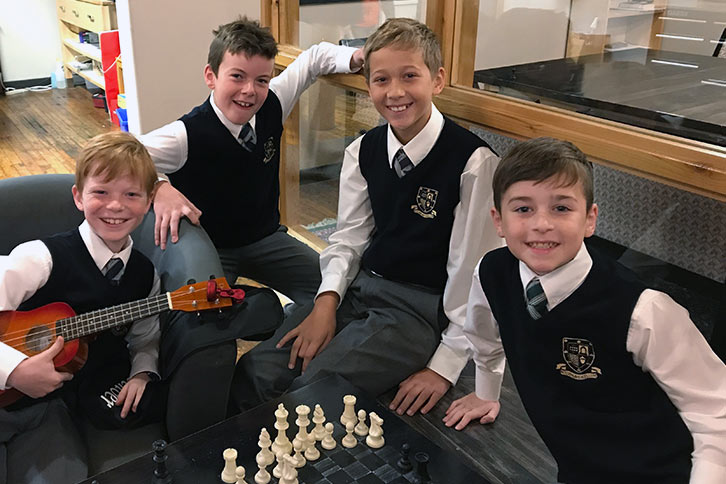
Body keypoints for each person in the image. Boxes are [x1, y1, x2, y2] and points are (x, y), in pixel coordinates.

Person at [231, 18, 501, 411]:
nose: (395, 92)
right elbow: (350, 238)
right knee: (258, 368)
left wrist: (445, 366)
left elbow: (473, 272)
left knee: (312, 391)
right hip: (358, 290)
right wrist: (325, 303)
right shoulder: (362, 151)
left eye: (410, 76)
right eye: (381, 80)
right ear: (368, 84)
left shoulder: (473, 163)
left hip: (417, 310)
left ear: (437, 80)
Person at [443, 137, 726, 483]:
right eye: (523, 209)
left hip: (658, 471)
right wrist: (487, 392)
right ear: (498, 221)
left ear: (590, 219)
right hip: (576, 466)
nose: (541, 224)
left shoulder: (643, 310)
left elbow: (716, 412)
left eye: (561, 208)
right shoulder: (491, 272)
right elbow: (483, 334)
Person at [140, 17, 364, 306]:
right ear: (211, 76)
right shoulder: (185, 135)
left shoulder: (274, 101)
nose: (249, 90)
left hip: (266, 238)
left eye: (261, 80)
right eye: (237, 76)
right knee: (199, 319)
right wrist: (158, 186)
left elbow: (314, 59)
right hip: (212, 247)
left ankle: (282, 336)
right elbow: (117, 155)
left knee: (334, 295)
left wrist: (357, 56)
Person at [0, 132, 163, 483]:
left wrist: (142, 371)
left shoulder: (144, 274)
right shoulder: (38, 259)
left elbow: (145, 335)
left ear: (149, 201)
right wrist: (13, 371)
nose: (115, 206)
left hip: (51, 410)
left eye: (131, 194)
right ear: (78, 196)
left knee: (65, 475)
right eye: (101, 192)